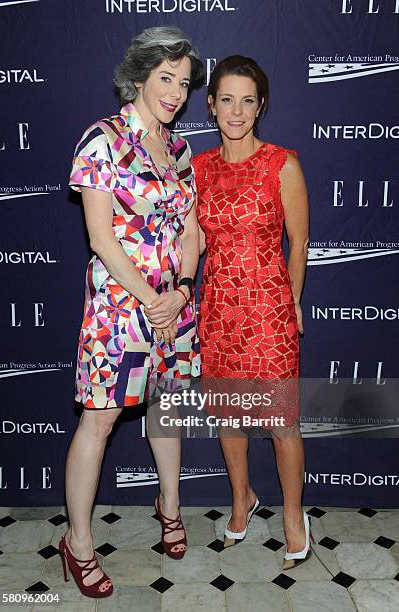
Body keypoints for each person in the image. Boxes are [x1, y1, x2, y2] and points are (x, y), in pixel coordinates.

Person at [59, 26, 203, 598]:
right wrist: (155, 300)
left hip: (175, 305)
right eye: (165, 78)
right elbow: (100, 237)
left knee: (167, 411)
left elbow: (191, 228)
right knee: (97, 423)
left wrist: (183, 289)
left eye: (185, 83)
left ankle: (169, 506)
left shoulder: (181, 149)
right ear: (140, 76)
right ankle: (78, 542)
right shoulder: (102, 140)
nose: (175, 92)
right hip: (122, 312)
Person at [193, 55, 311, 569]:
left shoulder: (282, 163)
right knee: (228, 416)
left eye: (247, 99)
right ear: (211, 105)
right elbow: (192, 242)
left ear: (260, 106)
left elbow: (299, 241)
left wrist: (295, 300)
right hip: (218, 307)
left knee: (281, 422)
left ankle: (292, 513)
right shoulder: (196, 168)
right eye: (226, 99)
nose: (236, 110)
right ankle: (242, 499)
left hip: (269, 310)